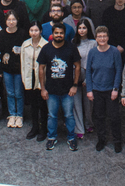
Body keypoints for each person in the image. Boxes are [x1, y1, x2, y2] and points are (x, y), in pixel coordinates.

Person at [39, 14, 82, 150]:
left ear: (64, 34)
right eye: (56, 33)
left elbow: (78, 66)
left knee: (69, 115)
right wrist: (43, 88)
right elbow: (41, 68)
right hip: (51, 90)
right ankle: (51, 137)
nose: (58, 35)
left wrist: (75, 85)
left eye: (61, 33)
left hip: (67, 90)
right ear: (52, 34)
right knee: (51, 115)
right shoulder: (46, 48)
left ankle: (71, 137)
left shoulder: (71, 48)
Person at [85, 26, 125, 152]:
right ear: (96, 38)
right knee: (99, 116)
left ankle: (117, 141)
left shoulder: (114, 52)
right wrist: (89, 90)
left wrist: (115, 88)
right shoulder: (92, 52)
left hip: (110, 90)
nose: (102, 39)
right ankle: (101, 139)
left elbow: (119, 71)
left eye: (104, 36)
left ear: (108, 37)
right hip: (97, 90)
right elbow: (88, 72)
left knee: (114, 117)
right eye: (99, 36)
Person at [0, 11, 28, 128]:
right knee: (9, 93)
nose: (11, 22)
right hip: (7, 68)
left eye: (13, 20)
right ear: (5, 21)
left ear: (17, 20)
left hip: (19, 69)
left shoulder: (22, 33)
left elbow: (25, 51)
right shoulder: (2, 34)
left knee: (19, 93)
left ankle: (19, 115)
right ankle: (12, 114)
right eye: (9, 20)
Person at [21, 22, 49, 140]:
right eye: (31, 30)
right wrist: (24, 79)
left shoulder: (46, 45)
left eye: (36, 30)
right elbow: (22, 62)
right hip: (29, 76)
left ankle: (43, 129)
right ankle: (34, 127)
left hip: (42, 77)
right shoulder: (25, 44)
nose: (34, 33)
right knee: (33, 104)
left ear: (41, 31)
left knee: (42, 104)